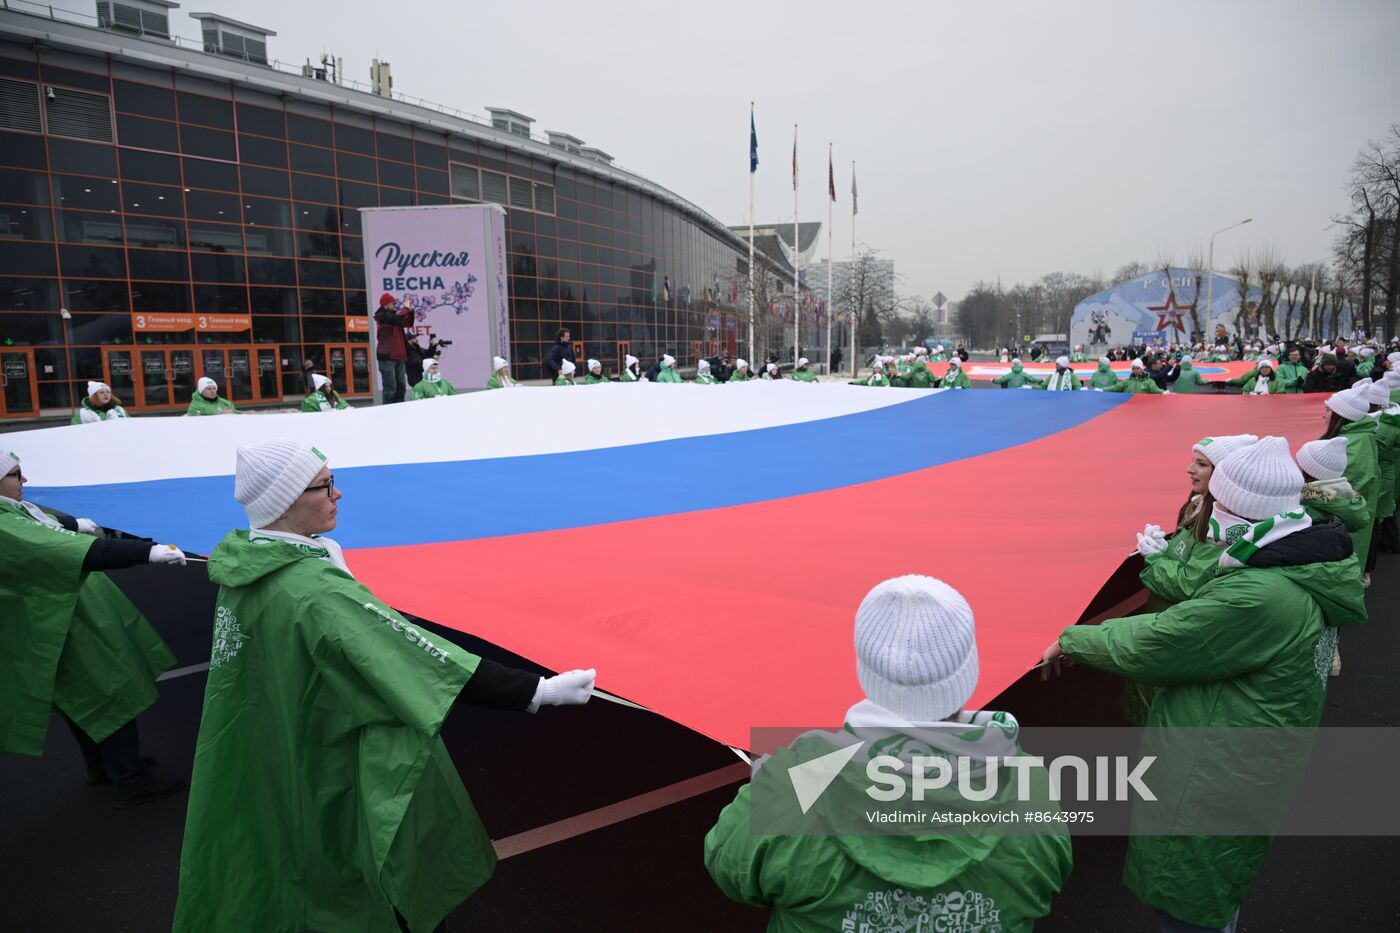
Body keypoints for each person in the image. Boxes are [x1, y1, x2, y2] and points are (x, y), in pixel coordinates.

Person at [173, 441, 597, 933]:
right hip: (336, 762)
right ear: (286, 500)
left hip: (282, 747)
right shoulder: (314, 591)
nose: (339, 493)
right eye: (325, 484)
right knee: (377, 876)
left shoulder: (246, 568)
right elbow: (421, 659)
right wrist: (537, 691)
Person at [1045, 437, 1366, 932]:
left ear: (1233, 508)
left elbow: (1162, 641)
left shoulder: (1260, 591)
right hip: (1248, 752)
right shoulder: (1296, 558)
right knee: (1215, 885)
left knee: (1189, 892)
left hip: (1219, 766)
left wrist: (1073, 641)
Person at [705, 576, 1073, 932]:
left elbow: (729, 864)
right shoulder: (1028, 789)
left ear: (866, 671)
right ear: (969, 670)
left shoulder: (798, 782)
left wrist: (771, 783)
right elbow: (1047, 877)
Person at [0, 450, 188, 807]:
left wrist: (73, 525)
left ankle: (105, 765)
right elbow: (75, 552)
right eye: (16, 474)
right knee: (108, 690)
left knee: (81, 696)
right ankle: (130, 780)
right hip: (54, 620)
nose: (23, 481)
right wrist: (147, 551)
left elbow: (39, 526)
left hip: (54, 615)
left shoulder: (8, 511)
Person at [1319, 388, 1379, 576]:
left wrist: (1306, 491)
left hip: (1346, 528)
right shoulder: (1361, 437)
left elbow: (1343, 492)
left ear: (1341, 415)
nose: (1323, 416)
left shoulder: (1350, 445)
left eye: (1328, 411)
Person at [374, 293, 415, 405]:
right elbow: (396, 320)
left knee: (401, 386)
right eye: (393, 303)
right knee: (390, 387)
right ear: (386, 304)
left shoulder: (394, 316)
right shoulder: (381, 316)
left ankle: (400, 408)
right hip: (387, 357)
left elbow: (408, 322)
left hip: (399, 356)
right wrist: (405, 308)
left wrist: (410, 311)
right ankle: (388, 411)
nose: (395, 305)